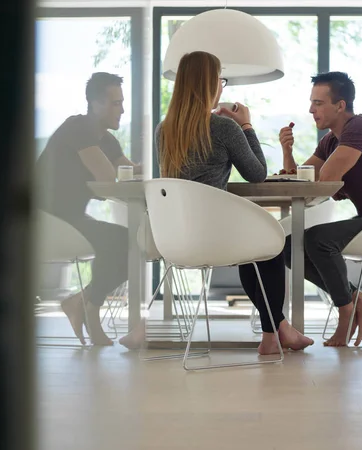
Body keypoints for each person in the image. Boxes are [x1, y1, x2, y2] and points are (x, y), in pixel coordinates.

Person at [119, 51, 314, 354]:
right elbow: (257, 174)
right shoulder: (224, 128)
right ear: (210, 85)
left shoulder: (163, 130)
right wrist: (246, 125)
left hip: (173, 239)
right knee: (269, 246)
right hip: (214, 237)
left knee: (259, 245)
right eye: (220, 80)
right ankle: (272, 335)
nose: (222, 87)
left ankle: (279, 332)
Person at [278, 71, 362, 347]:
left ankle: (346, 312)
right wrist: (287, 151)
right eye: (311, 102)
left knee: (319, 240)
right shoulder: (331, 140)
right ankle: (360, 300)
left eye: (318, 103)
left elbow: (324, 178)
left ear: (340, 105)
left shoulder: (361, 127)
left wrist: (313, 171)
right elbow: (300, 179)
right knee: (290, 247)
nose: (310, 109)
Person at [36, 72, 141, 345]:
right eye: (115, 103)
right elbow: (108, 177)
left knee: (130, 244)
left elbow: (131, 171)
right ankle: (89, 311)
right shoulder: (77, 128)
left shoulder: (107, 140)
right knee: (121, 241)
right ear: (94, 104)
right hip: (46, 220)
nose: (122, 109)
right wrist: (126, 172)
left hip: (71, 219)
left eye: (122, 102)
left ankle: (81, 303)